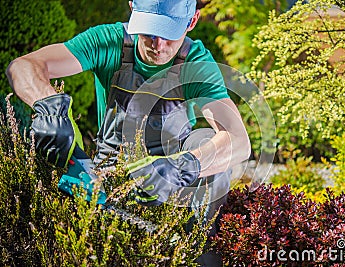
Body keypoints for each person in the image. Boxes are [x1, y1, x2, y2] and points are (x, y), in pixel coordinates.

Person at [6, 0, 250, 266]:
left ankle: (202, 254)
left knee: (207, 142)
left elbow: (238, 141)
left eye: (169, 34)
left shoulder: (195, 64)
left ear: (191, 22)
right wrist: (48, 107)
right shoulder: (109, 42)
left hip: (171, 180)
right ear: (133, 8)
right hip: (109, 174)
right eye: (149, 31)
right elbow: (23, 66)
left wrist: (183, 167)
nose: (157, 45)